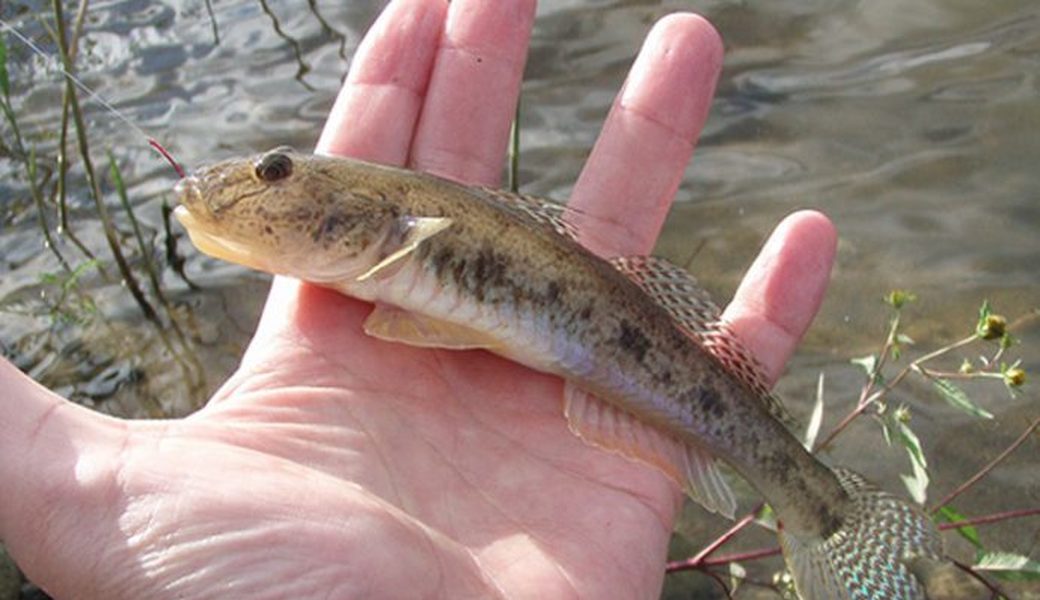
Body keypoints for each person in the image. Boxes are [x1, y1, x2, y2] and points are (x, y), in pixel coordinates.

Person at [0, 0, 836, 597]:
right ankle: (818, 502)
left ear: (376, 220)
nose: (261, 182)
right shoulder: (374, 252)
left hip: (653, 370)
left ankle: (819, 507)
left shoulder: (402, 232)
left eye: (274, 171)